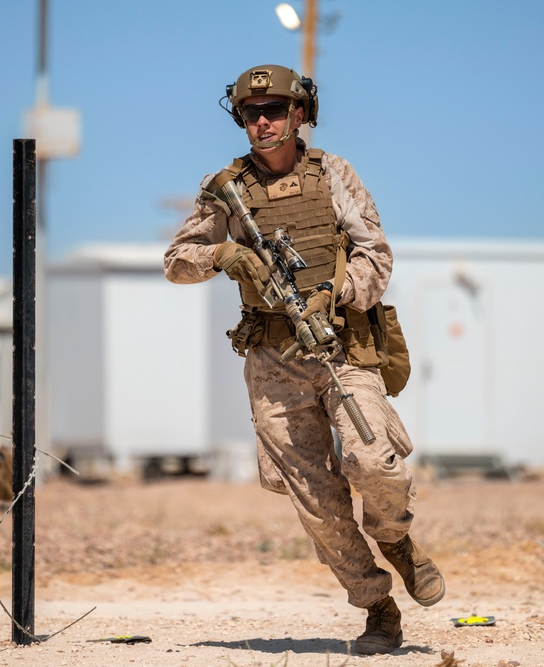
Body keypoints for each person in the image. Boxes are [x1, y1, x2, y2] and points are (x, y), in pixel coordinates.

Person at [164, 64, 444, 655]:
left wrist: (336, 292)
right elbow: (177, 261)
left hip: (340, 346)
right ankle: (377, 606)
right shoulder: (225, 189)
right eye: (250, 113)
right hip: (273, 358)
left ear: (300, 114)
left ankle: (395, 538)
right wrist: (223, 253)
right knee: (316, 500)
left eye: (274, 110)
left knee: (375, 464)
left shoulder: (332, 173)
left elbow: (376, 256)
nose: (262, 122)